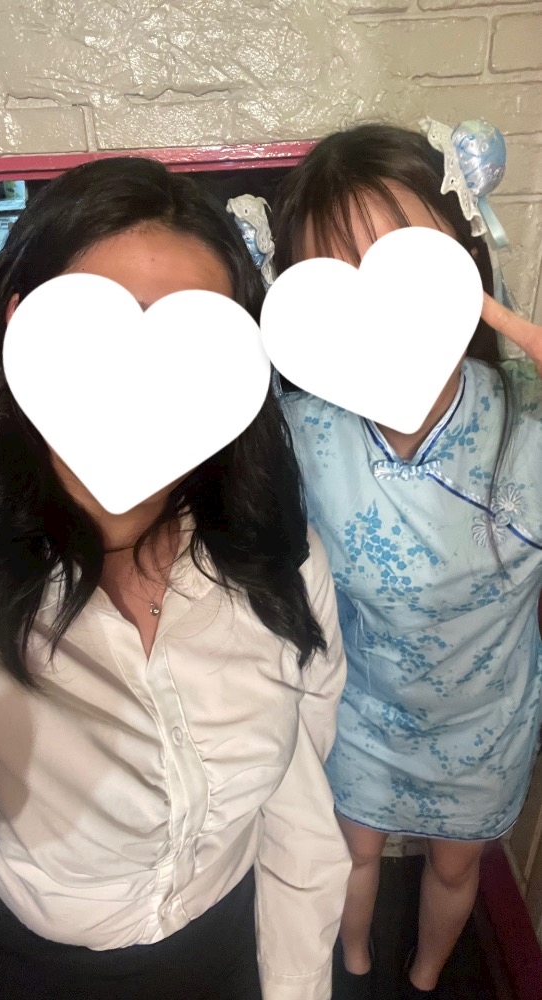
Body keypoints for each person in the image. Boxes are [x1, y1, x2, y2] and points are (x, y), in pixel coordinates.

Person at [0, 156, 351, 1000]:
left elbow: (295, 808)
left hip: (225, 950)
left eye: (190, 345)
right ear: (19, 328)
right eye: (96, 335)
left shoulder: (280, 562)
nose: (139, 384)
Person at [272, 122, 542, 999]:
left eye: (402, 263)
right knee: (350, 855)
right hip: (363, 714)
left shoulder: (528, 421)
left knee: (456, 868)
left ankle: (427, 977)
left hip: (486, 723)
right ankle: (353, 967)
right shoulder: (300, 431)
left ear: (462, 258)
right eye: (338, 279)